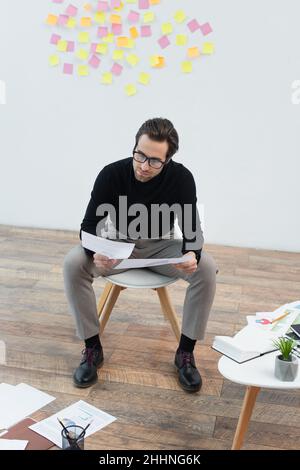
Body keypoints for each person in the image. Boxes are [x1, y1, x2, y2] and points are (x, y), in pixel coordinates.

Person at [63, 117, 217, 393]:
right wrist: (95, 251)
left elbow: (192, 229)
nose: (144, 166)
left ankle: (185, 353)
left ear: (168, 159)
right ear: (134, 147)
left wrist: (193, 253)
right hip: (118, 245)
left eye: (155, 161)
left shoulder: (182, 178)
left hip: (161, 246)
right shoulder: (111, 174)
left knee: (206, 268)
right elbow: (88, 225)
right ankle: (91, 348)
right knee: (74, 262)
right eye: (140, 155)